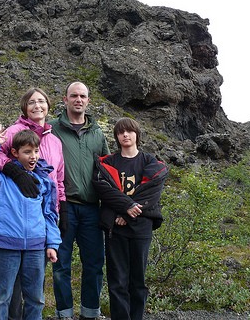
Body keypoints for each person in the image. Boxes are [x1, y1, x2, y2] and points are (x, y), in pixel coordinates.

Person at [0, 126, 62, 320]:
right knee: (0, 299)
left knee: (36, 299)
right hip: (4, 244)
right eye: (27, 152)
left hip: (36, 246)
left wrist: (52, 243)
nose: (33, 156)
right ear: (14, 153)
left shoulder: (44, 180)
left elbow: (50, 214)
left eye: (36, 151)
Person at [0, 87, 67, 320]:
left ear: (49, 105)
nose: (38, 106)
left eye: (42, 101)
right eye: (32, 102)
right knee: (10, 290)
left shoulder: (55, 141)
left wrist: (59, 208)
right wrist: (15, 171)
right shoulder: (14, 131)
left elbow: (59, 177)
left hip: (43, 218)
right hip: (16, 216)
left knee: (35, 289)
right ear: (25, 107)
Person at [92, 117, 168, 320]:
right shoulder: (108, 163)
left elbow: (150, 192)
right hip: (115, 228)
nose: (125, 135)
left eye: (130, 131)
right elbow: (104, 190)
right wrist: (126, 207)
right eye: (121, 132)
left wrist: (127, 212)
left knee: (138, 279)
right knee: (117, 280)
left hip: (140, 227)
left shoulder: (150, 161)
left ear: (137, 134)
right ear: (116, 136)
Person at [49, 81, 110, 320]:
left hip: (92, 209)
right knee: (61, 265)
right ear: (65, 99)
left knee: (94, 264)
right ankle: (64, 314)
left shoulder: (97, 133)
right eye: (73, 95)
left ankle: (90, 314)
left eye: (82, 96)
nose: (78, 99)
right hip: (63, 207)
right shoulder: (51, 129)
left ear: (88, 100)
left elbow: (108, 172)